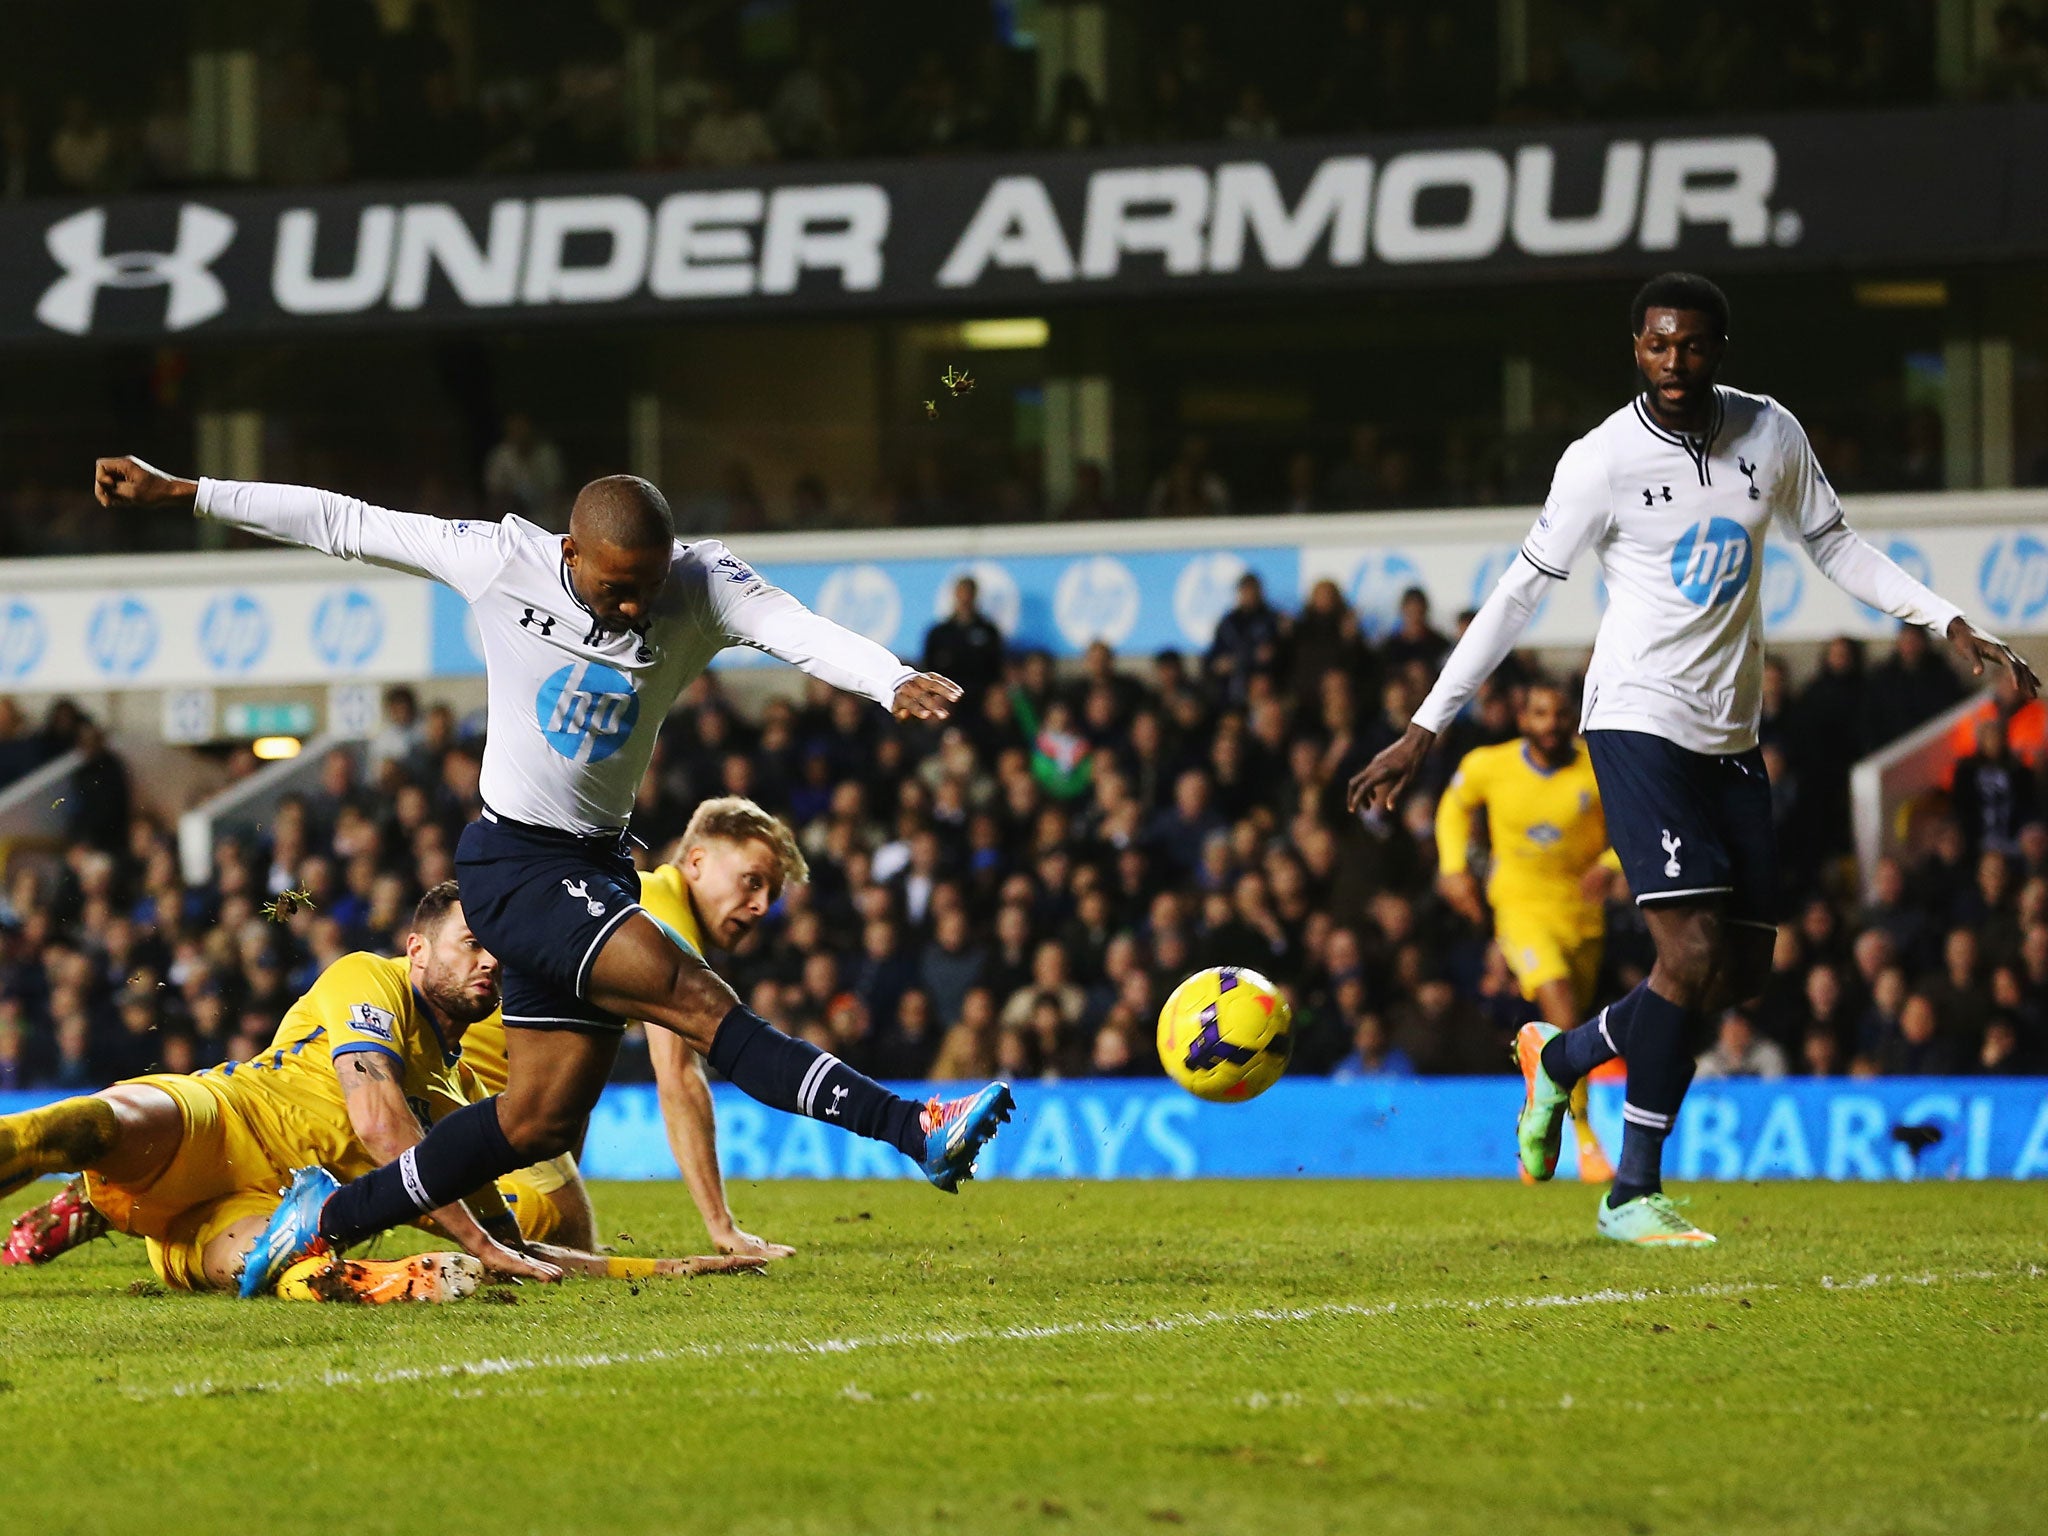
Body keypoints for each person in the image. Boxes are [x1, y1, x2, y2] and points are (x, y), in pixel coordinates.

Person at [93, 454, 1012, 1297]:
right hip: (514, 860)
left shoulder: (703, 582)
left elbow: (793, 629)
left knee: (536, 1122)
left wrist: (886, 677)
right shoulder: (502, 560)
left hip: (597, 862)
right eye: (615, 591)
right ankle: (912, 1126)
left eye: (647, 590)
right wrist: (186, 492)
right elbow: (344, 519)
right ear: (571, 552)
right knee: (694, 997)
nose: (633, 611)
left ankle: (322, 1220)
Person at [1349, 271, 2036, 1246]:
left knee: (1737, 973)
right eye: (1657, 345)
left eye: (1693, 346)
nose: (1675, 363)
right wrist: (1426, 724)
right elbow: (1514, 595)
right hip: (1633, 720)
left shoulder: (1769, 433)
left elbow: (1833, 543)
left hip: (1728, 735)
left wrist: (1946, 618)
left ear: (1720, 347)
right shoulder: (1599, 460)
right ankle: (1630, 1191)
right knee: (1690, 952)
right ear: (1634, 348)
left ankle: (1557, 1061)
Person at [0, 886, 758, 1296]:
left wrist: (672, 1268)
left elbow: (524, 1249)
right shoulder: (370, 979)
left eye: (499, 952)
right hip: (216, 1121)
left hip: (244, 1214)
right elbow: (376, 1121)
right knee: (83, 1126)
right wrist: (473, 1239)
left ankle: (398, 1281)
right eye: (472, 945)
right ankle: (80, 1197)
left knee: (275, 1266)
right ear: (418, 948)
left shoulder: (453, 1098)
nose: (490, 963)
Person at [456, 796, 806, 1259]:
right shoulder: (659, 914)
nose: (761, 906)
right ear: (697, 861)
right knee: (549, 1230)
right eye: (752, 882)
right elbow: (678, 1077)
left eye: (771, 896)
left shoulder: (629, 897)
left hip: (479, 1078)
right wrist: (723, 1229)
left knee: (565, 1235)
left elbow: (571, 1083)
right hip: (466, 1078)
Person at [1434, 681, 1617, 1182]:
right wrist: (1453, 868)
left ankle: (1540, 1122)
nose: (1551, 724)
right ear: (1523, 719)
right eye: (1540, 713)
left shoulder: (1598, 767)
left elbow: (1637, 823)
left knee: (1571, 1031)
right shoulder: (1489, 765)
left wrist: (1610, 861)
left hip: (1581, 916)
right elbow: (1453, 808)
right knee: (1558, 1002)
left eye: (1560, 714)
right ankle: (1585, 1138)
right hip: (1518, 910)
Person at [922, 575, 1005, 710]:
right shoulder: (939, 633)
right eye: (962, 593)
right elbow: (928, 668)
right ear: (955, 595)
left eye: (969, 593)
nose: (965, 598)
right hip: (946, 698)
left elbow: (997, 668)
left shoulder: (989, 631)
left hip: (981, 700)